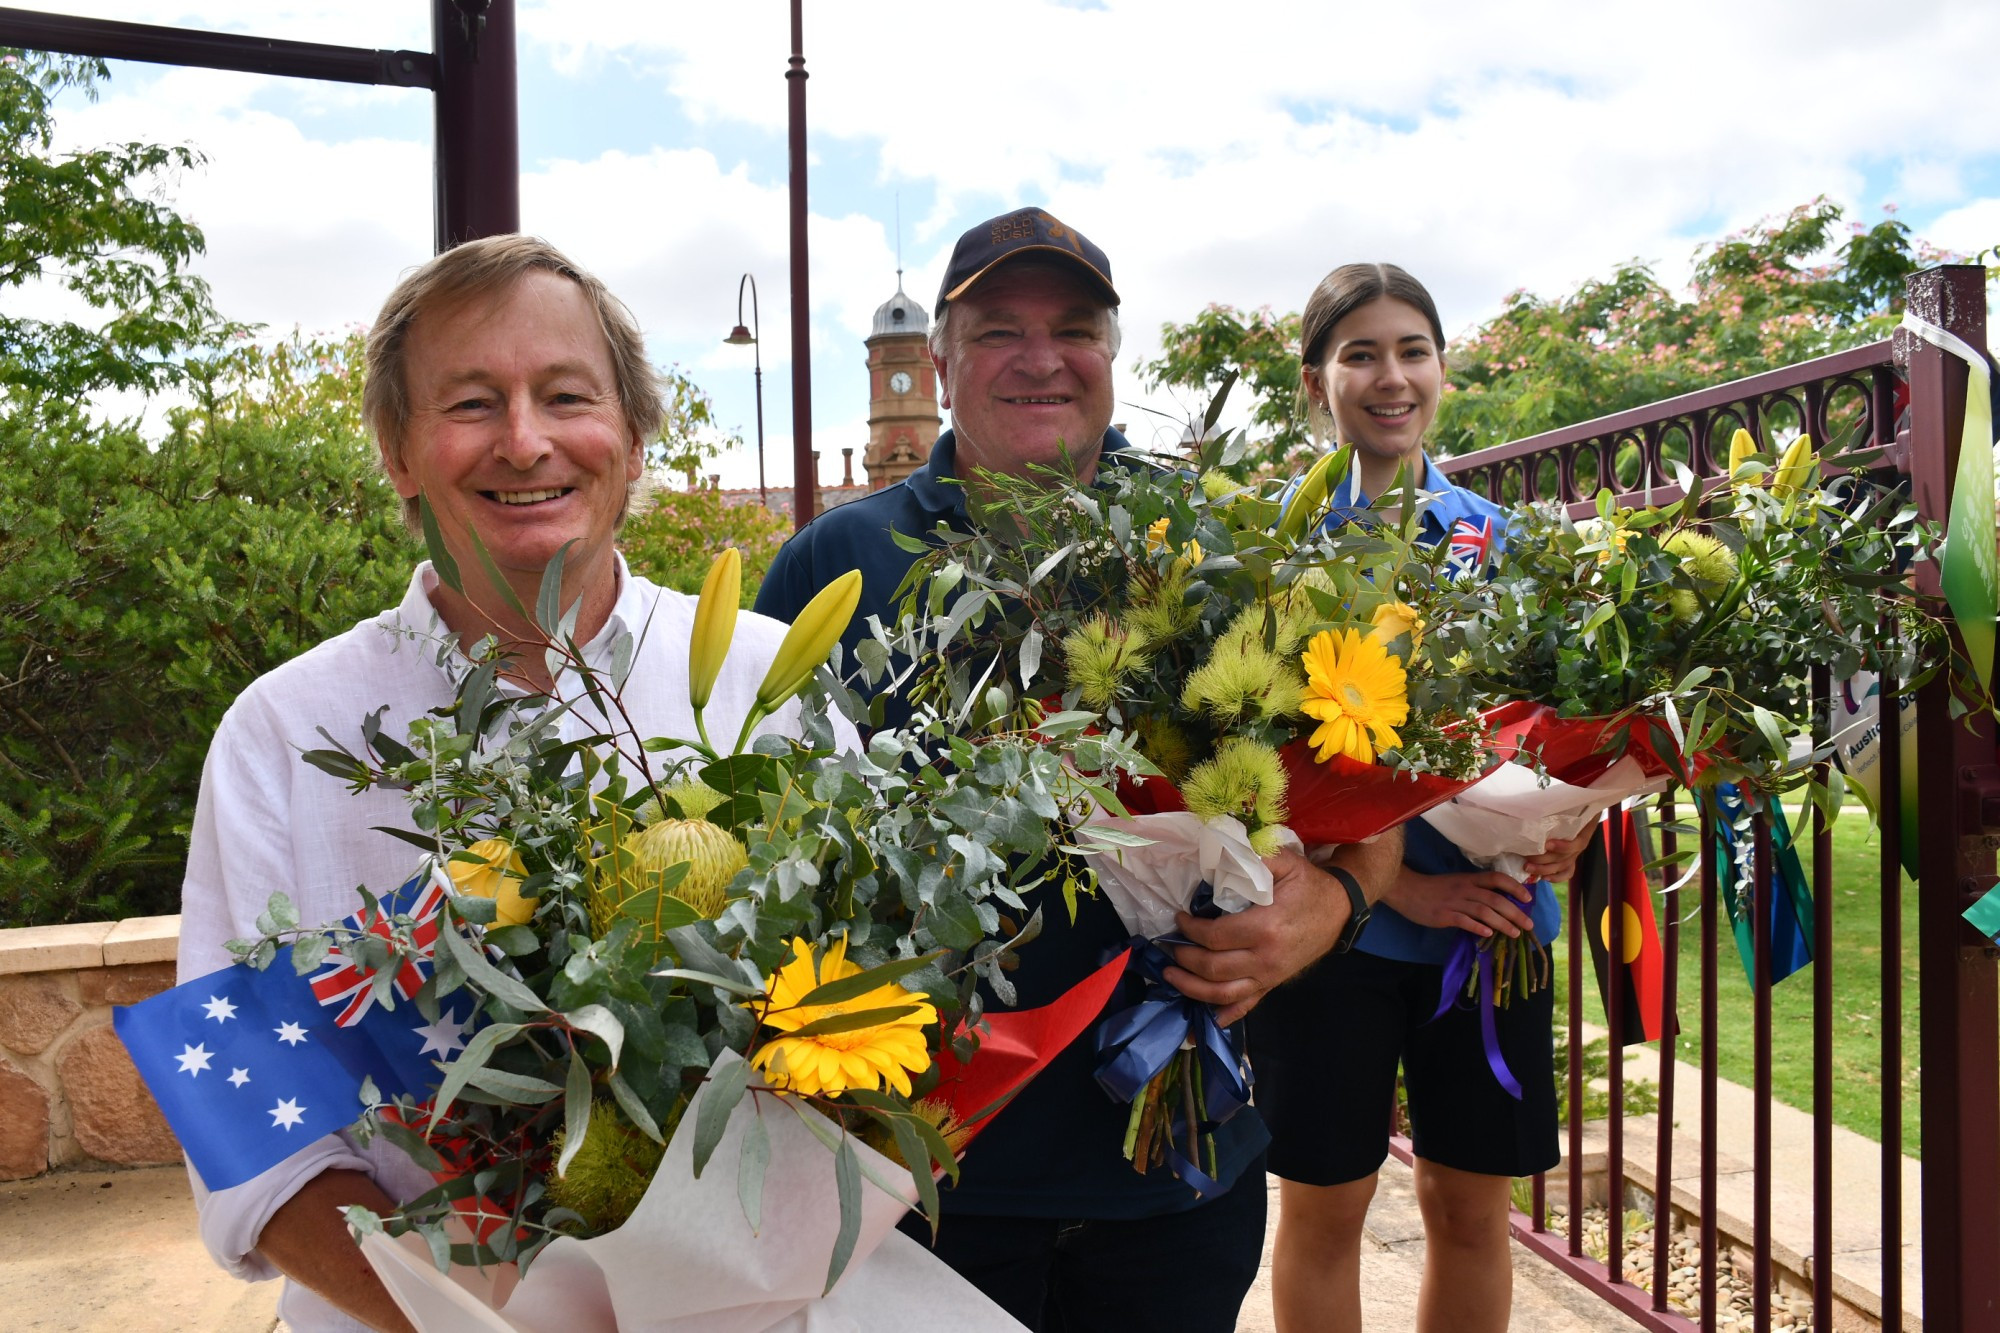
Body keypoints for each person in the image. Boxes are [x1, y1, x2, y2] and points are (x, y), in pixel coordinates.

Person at [176, 235, 852, 1333]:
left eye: (567, 395)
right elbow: (250, 1126)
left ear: (633, 437)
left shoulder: (768, 683)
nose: (526, 440)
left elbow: (875, 1028)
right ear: (398, 452)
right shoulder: (283, 736)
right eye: (473, 403)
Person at [755, 208, 1403, 1333]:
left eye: (1073, 327)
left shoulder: (1215, 541)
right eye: (998, 329)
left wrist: (1326, 909)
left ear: (1111, 355)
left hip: (1176, 1164)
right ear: (941, 365)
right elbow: (755, 835)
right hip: (922, 1180)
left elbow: (1367, 814)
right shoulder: (834, 564)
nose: (1041, 356)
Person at [1249, 262, 1587, 1333]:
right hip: (1330, 934)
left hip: (1491, 928)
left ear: (1441, 370)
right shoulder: (1269, 549)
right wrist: (1395, 893)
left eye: (1410, 350)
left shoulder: (1503, 542)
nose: (1388, 376)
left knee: (1470, 1205)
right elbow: (1246, 771)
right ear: (1316, 381)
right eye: (1359, 354)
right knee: (1324, 1207)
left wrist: (1561, 834)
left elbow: (1555, 727)